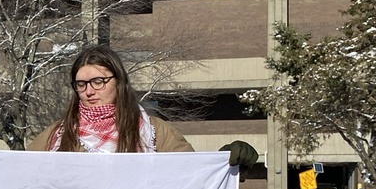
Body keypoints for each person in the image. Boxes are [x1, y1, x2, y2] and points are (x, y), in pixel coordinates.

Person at [30, 45, 258, 165]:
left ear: (118, 82)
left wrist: (224, 162)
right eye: (81, 84)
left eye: (98, 81)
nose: (89, 91)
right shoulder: (55, 135)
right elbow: (20, 176)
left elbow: (191, 175)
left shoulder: (155, 132)